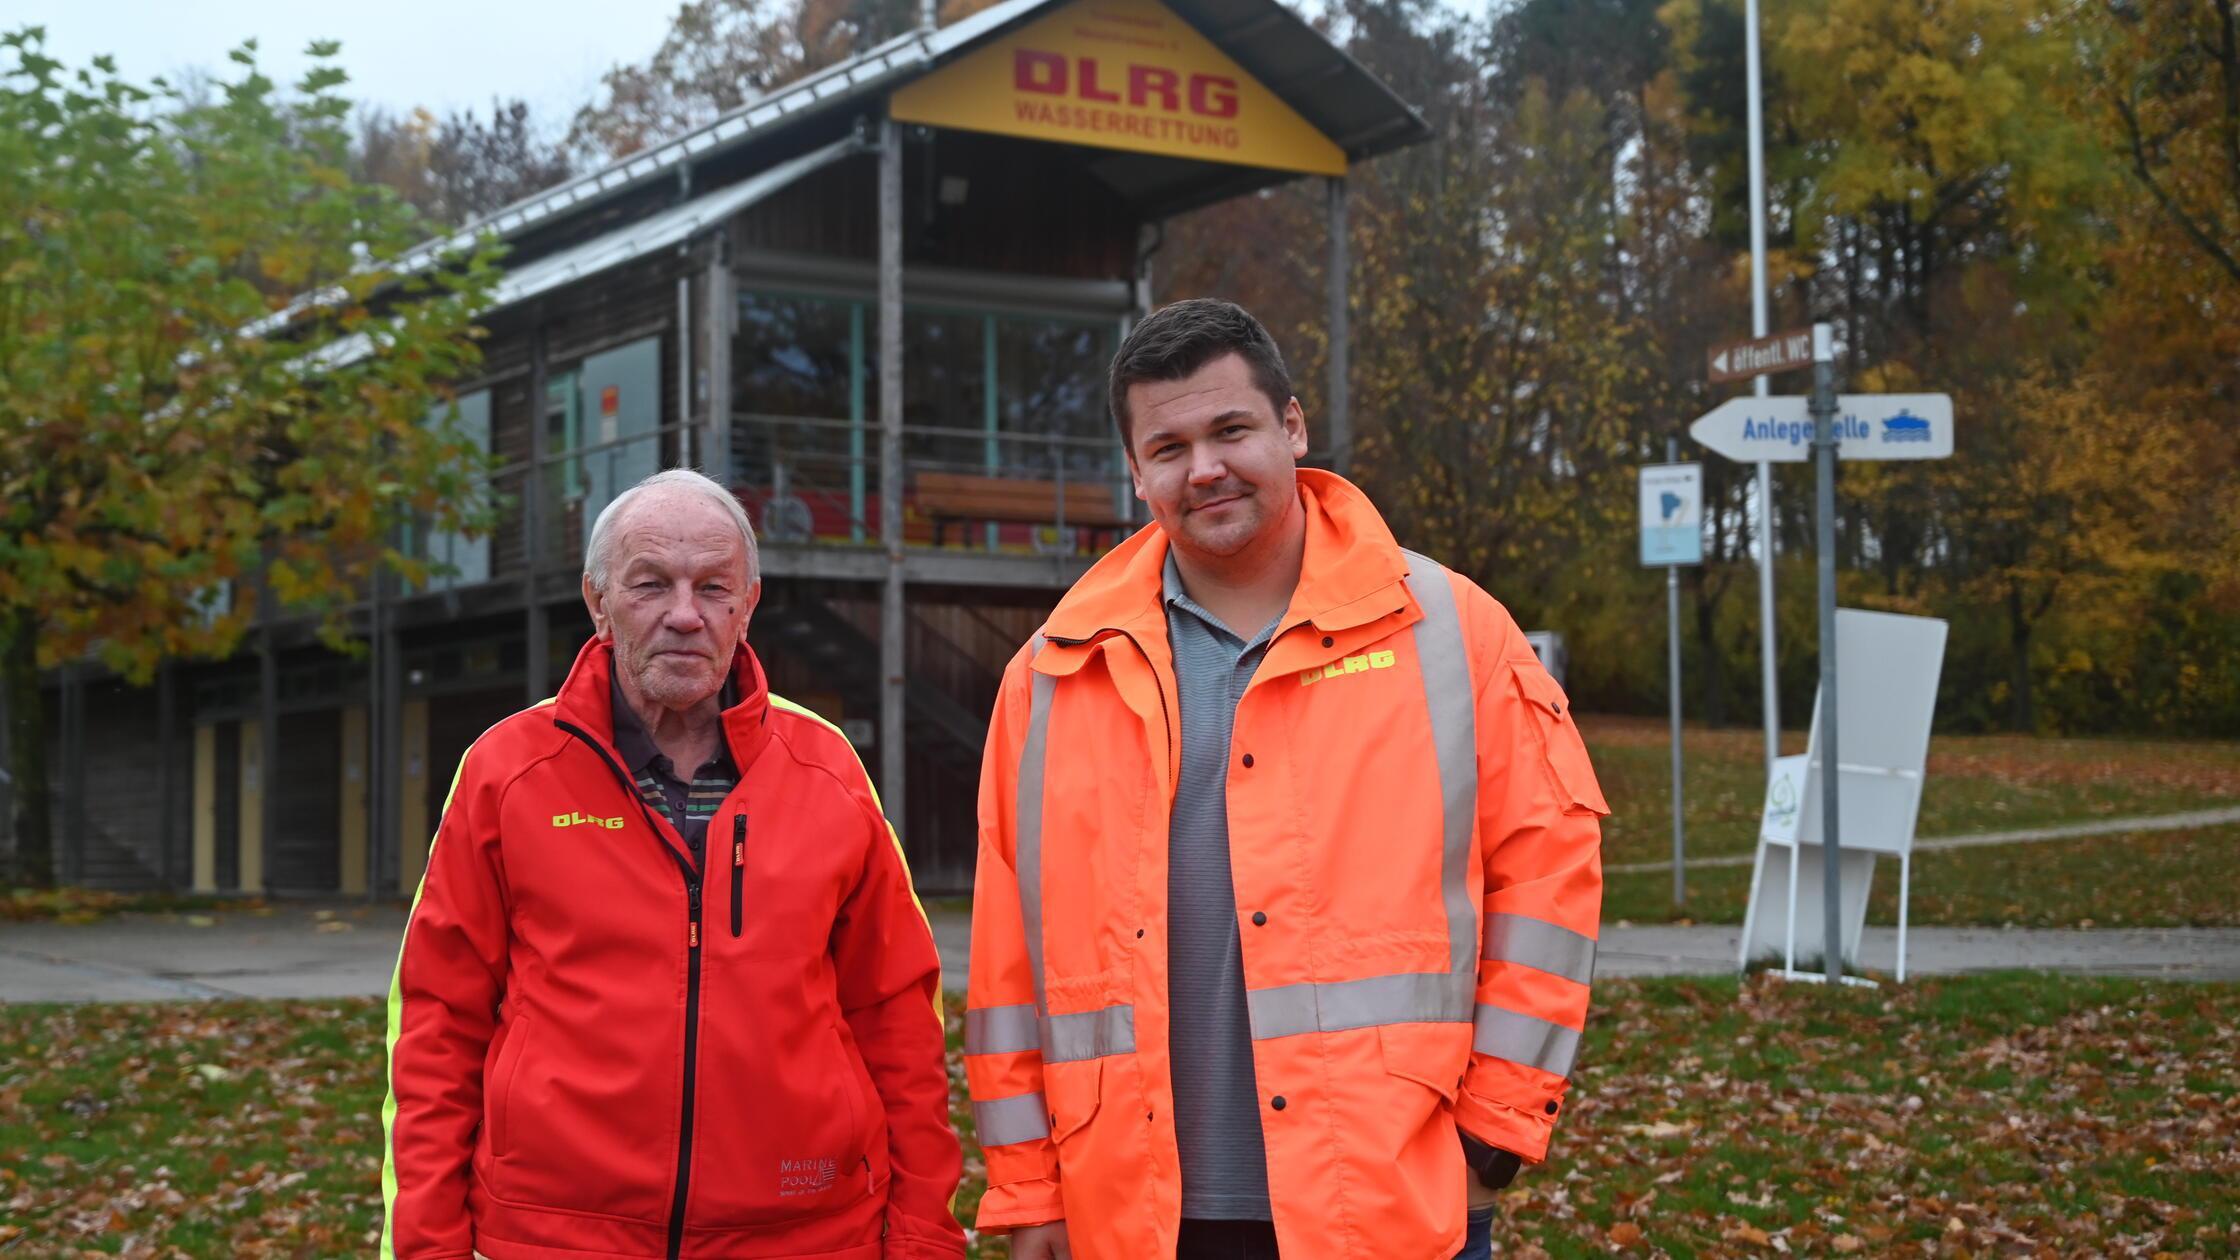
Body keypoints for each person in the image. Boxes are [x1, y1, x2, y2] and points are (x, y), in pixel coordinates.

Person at [963, 300, 1607, 1260]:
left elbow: (1549, 873)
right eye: (1169, 447)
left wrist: (1496, 1129)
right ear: (1136, 472)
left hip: (1388, 1203)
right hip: (1130, 1216)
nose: (1205, 468)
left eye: (1231, 430)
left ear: (1293, 427)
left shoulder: (1450, 631)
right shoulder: (1054, 674)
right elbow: (1009, 960)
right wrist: (1028, 1188)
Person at [381, 468, 965, 1260]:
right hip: (554, 1235)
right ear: (598, 602)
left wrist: (924, 1240)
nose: (685, 615)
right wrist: (428, 1244)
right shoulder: (507, 770)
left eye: (713, 588)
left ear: (748, 605)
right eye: (651, 583)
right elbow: (437, 1027)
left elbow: (898, 1022)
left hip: (804, 1234)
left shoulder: (827, 770)